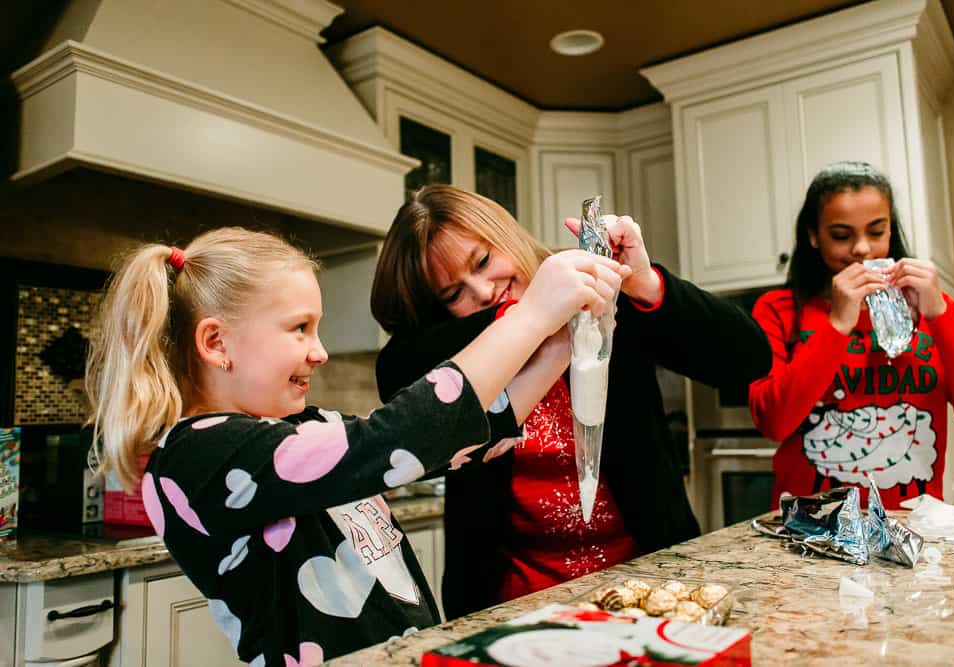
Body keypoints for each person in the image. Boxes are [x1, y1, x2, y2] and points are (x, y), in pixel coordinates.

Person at [84, 226, 626, 665]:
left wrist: (558, 347)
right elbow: (398, 438)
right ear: (216, 342)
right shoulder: (195, 455)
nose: (319, 352)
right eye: (300, 328)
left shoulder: (299, 427)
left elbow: (445, 445)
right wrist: (529, 317)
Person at [371, 185, 773, 619]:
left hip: (646, 586)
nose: (483, 290)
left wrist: (644, 283)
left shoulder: (596, 289)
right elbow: (396, 371)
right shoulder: (461, 349)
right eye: (454, 295)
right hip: (515, 606)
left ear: (507, 234)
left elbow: (749, 359)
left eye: (484, 262)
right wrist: (529, 316)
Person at [749, 161, 954, 509]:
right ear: (812, 235)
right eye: (841, 235)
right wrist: (837, 325)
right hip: (812, 527)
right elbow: (774, 421)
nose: (862, 249)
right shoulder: (777, 309)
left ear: (890, 228)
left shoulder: (931, 306)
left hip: (909, 527)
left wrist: (940, 314)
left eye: (876, 231)